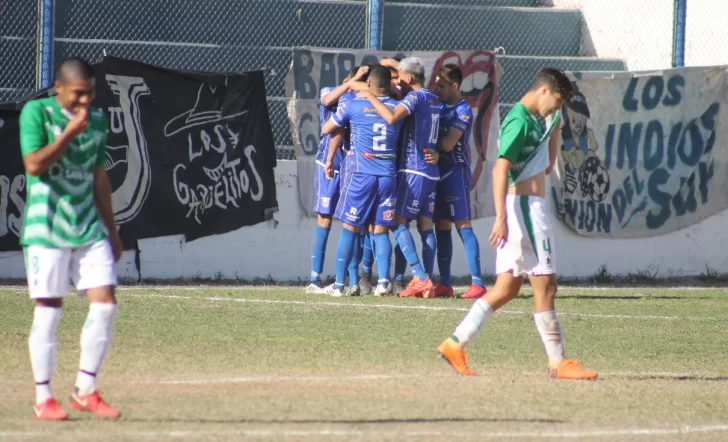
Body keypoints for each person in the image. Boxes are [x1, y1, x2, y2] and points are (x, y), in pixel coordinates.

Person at [437, 68, 598, 380]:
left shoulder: (539, 120)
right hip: (524, 209)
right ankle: (558, 362)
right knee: (547, 285)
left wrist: (553, 131)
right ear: (544, 91)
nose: (558, 108)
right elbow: (500, 169)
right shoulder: (520, 120)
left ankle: (454, 343)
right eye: (558, 101)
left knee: (507, 288)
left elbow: (549, 165)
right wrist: (500, 217)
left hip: (526, 207)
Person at [20, 57, 124, 420]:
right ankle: (43, 397)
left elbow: (99, 179)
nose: (85, 102)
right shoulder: (37, 113)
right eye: (78, 94)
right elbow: (33, 164)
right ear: (59, 89)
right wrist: (67, 134)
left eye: (90, 94)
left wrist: (112, 232)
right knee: (49, 310)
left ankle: (85, 389)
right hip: (46, 228)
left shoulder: (97, 120)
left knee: (106, 302)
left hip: (87, 227)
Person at [320, 65, 405, 297]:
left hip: (361, 175)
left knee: (349, 227)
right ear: (388, 85)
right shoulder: (399, 108)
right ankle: (384, 283)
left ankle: (339, 285)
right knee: (381, 230)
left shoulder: (354, 104)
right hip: (388, 175)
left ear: (368, 84)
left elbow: (327, 128)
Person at [361, 57, 440, 298]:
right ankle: (426, 280)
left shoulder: (414, 97)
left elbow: (393, 117)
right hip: (430, 173)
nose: (397, 84)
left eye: (400, 78)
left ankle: (421, 277)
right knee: (426, 226)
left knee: (395, 221)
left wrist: (370, 96)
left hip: (413, 169)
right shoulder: (434, 98)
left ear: (407, 78)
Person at [306, 66, 369, 294]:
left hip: (354, 168)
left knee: (353, 224)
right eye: (357, 80)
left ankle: (352, 281)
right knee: (325, 219)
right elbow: (325, 101)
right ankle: (315, 277)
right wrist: (350, 84)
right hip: (328, 166)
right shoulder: (332, 91)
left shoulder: (364, 100)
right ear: (346, 80)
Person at [431, 64, 487, 300]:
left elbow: (446, 145)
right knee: (440, 227)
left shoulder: (463, 111)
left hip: (455, 172)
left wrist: (426, 144)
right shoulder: (437, 105)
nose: (437, 89)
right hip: (437, 172)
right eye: (436, 84)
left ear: (455, 86)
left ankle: (477, 283)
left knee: (462, 225)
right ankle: (445, 283)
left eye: (441, 85)